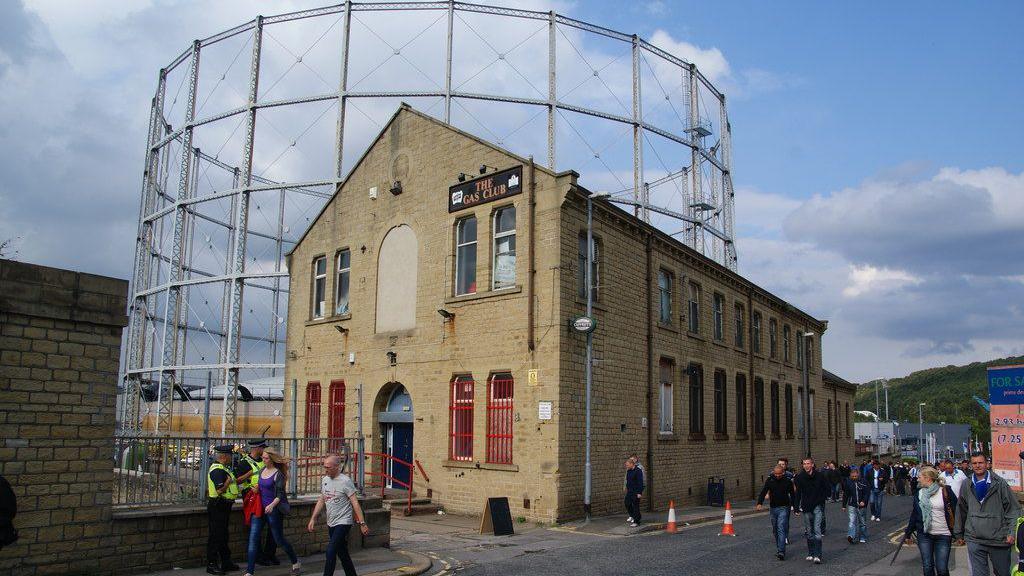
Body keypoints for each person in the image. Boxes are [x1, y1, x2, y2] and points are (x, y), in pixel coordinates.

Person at [953, 452, 1020, 576]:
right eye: (974, 463)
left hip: (998, 539)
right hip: (975, 538)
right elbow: (961, 509)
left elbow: (1013, 509)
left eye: (980, 462)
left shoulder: (1000, 483)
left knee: (1003, 573)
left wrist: (1011, 532)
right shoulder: (966, 484)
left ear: (987, 464)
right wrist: (958, 533)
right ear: (971, 465)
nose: (977, 465)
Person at [308, 454, 370, 576]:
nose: (325, 470)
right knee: (342, 553)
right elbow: (322, 500)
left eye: (328, 467)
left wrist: (362, 523)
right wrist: (313, 518)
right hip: (331, 521)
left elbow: (355, 503)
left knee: (330, 551)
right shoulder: (325, 480)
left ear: (337, 467)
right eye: (324, 467)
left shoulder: (345, 481)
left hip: (344, 521)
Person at [245, 447, 300, 576]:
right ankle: (249, 572)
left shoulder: (278, 474)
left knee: (279, 539)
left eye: (266, 458)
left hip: (273, 510)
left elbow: (280, 494)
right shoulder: (262, 470)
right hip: (259, 509)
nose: (263, 460)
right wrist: (257, 489)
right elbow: (262, 487)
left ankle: (295, 562)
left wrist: (272, 505)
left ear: (272, 459)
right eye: (263, 457)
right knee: (253, 539)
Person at [904, 466, 957, 576]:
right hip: (924, 534)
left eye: (920, 477)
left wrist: (959, 533)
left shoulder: (945, 491)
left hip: (943, 534)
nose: (917, 479)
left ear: (928, 478)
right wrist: (908, 533)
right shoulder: (919, 493)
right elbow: (915, 514)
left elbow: (956, 510)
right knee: (927, 566)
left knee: (942, 569)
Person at [236, 439, 277, 566]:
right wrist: (249, 476)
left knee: (272, 528)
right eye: (263, 447)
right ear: (257, 448)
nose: (264, 450)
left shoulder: (264, 461)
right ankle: (259, 556)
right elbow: (237, 481)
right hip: (252, 499)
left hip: (266, 497)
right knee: (256, 528)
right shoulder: (244, 463)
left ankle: (270, 554)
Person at [207, 445, 241, 576]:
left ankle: (226, 562)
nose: (231, 457)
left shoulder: (222, 468)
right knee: (216, 536)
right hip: (218, 506)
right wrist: (227, 482)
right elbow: (220, 489)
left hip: (224, 506)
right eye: (230, 455)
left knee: (223, 535)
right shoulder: (217, 470)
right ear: (224, 456)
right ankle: (212, 564)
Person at [793, 457, 829, 565]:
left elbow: (827, 489)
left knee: (817, 530)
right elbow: (798, 493)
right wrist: (796, 507)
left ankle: (818, 555)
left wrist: (821, 499)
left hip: (817, 505)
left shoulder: (820, 476)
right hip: (806, 506)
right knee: (809, 531)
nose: (806, 465)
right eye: (804, 464)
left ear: (812, 464)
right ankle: (811, 552)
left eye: (808, 463)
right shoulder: (800, 477)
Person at [756, 464, 795, 560]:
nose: (777, 475)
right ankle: (779, 548)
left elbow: (793, 494)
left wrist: (795, 507)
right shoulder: (770, 480)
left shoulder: (787, 481)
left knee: (781, 528)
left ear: (783, 473)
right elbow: (764, 491)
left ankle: (781, 551)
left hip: (784, 507)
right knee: (775, 529)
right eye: (776, 474)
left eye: (779, 474)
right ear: (774, 473)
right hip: (773, 508)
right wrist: (759, 503)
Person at [842, 466, 869, 544]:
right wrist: (844, 505)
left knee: (862, 522)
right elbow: (846, 494)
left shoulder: (863, 481)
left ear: (858, 475)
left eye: (855, 476)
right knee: (852, 521)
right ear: (850, 475)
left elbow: (866, 493)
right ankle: (851, 535)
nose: (854, 478)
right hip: (852, 504)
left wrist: (864, 501)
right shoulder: (848, 482)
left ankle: (862, 537)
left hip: (862, 505)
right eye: (853, 476)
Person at [624, 458, 644, 527]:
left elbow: (640, 482)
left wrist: (639, 492)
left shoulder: (638, 471)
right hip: (629, 491)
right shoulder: (629, 471)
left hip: (636, 492)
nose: (627, 466)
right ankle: (634, 516)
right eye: (626, 465)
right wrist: (626, 488)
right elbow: (627, 480)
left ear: (632, 464)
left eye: (627, 465)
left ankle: (636, 522)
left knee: (636, 506)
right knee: (627, 503)